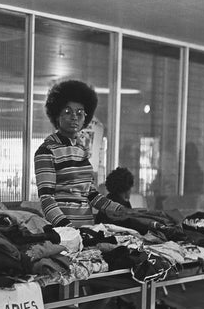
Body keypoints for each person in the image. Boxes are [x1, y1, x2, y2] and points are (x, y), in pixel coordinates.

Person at [34, 80, 131, 227]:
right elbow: (46, 198)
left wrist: (117, 208)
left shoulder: (82, 151)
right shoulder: (46, 151)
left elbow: (91, 194)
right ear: (56, 115)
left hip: (87, 229)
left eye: (80, 113)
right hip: (63, 232)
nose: (74, 117)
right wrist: (65, 225)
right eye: (67, 112)